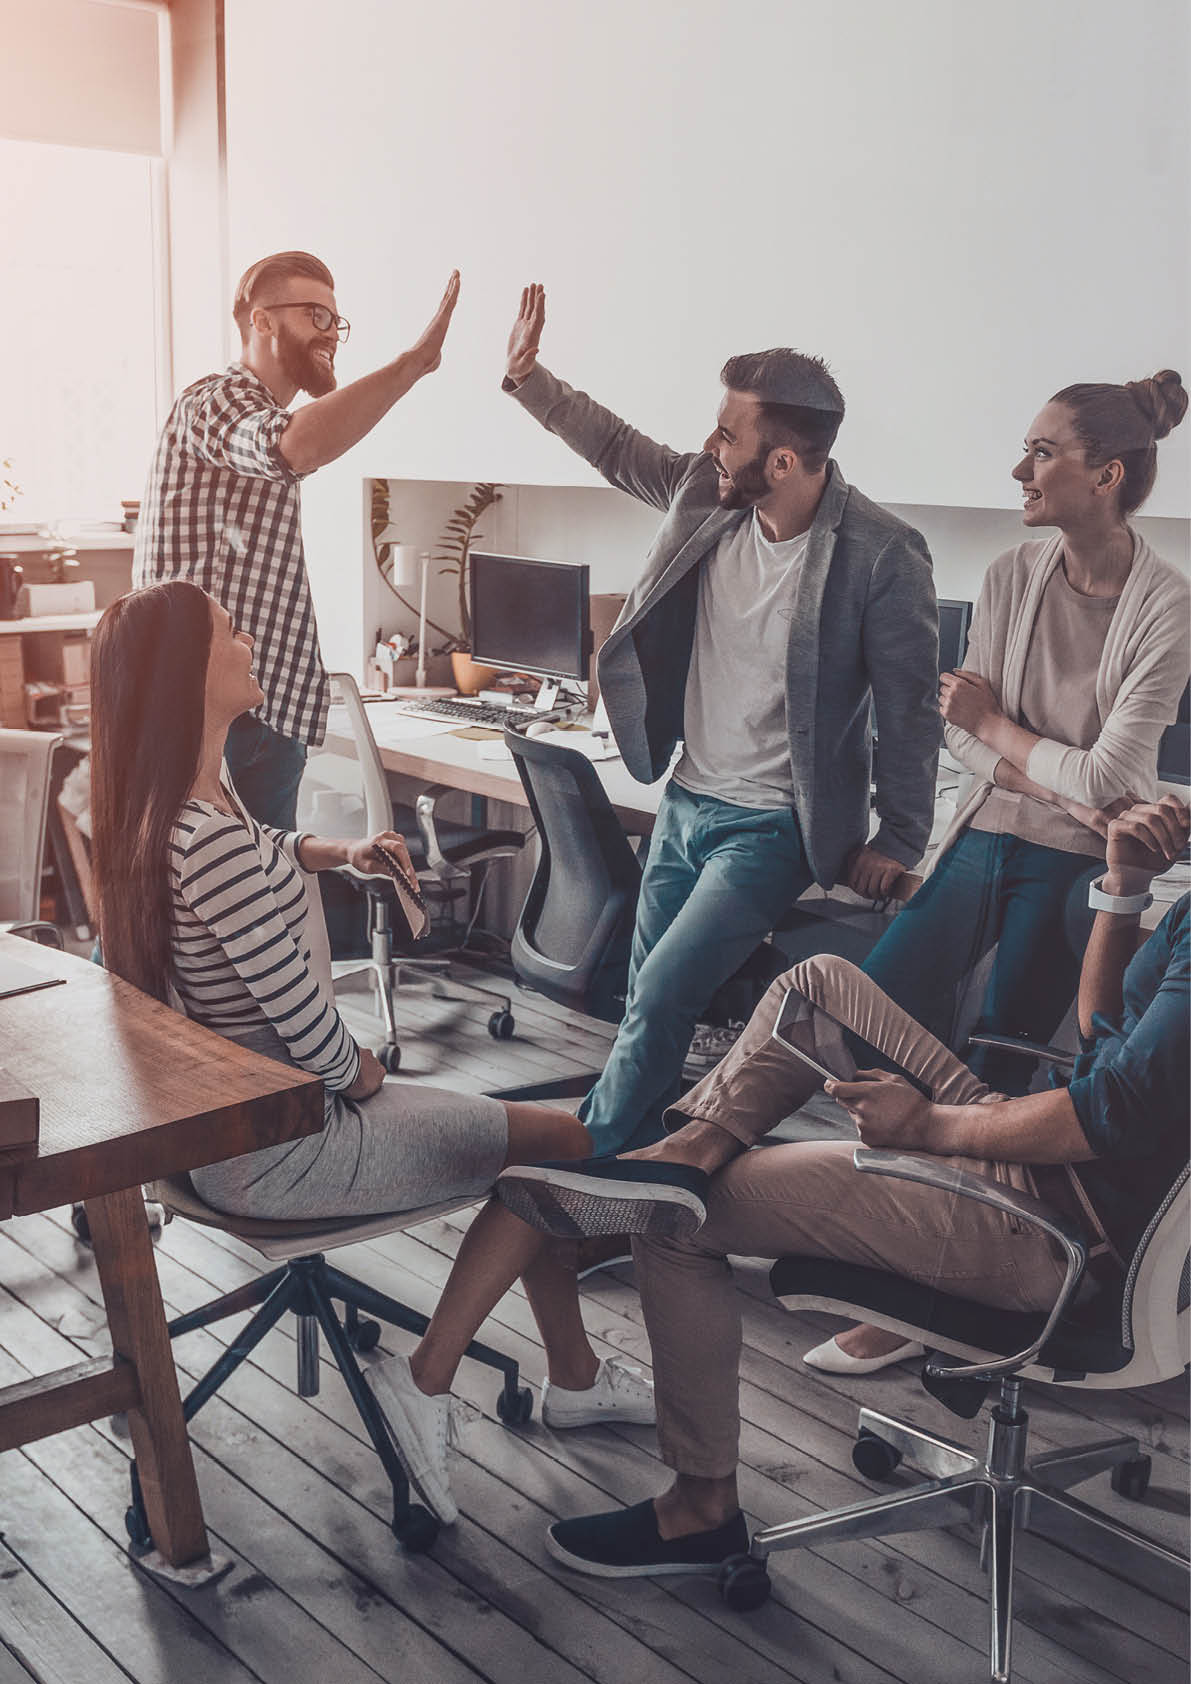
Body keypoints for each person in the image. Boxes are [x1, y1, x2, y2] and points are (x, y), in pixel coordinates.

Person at [491, 796, 1190, 1579]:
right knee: (818, 983)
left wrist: (926, 1128)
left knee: (671, 1225)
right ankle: (685, 1151)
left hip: (1052, 1228)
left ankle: (698, 1512)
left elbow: (1108, 1115)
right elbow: (1105, 1045)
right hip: (1056, 1172)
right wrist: (1124, 886)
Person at [88, 579, 656, 1527]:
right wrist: (371, 1076)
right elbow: (317, 1046)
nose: (249, 638)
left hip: (222, 1143)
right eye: (231, 633)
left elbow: (256, 850)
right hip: (289, 1145)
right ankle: (431, 1381)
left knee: (521, 1136)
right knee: (554, 1143)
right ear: (190, 675)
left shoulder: (173, 816)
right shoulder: (208, 842)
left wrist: (331, 853)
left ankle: (578, 1378)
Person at [502, 284, 941, 1156]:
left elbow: (909, 707)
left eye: (729, 433)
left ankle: (582, 1171)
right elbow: (619, 449)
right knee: (644, 997)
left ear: (782, 461)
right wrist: (529, 378)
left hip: (774, 822)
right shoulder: (706, 495)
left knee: (664, 990)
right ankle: (642, 1170)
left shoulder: (880, 555)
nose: (711, 444)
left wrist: (899, 834)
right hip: (687, 796)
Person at [829, 371, 1191, 1373]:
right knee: (876, 1009)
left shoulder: (1168, 604)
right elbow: (969, 750)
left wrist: (998, 725)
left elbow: (1108, 773)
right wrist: (1042, 767)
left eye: (1042, 452)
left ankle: (929, 1292)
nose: (1019, 469)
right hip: (990, 831)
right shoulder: (1008, 575)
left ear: (1106, 475)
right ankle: (884, 1235)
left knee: (1004, 1064)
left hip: (1074, 864)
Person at [133, 252, 461, 829]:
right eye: (316, 315)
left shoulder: (255, 410)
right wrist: (411, 365)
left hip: (261, 713)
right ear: (262, 321)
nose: (332, 334)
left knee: (261, 898)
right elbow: (291, 447)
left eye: (337, 321)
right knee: (218, 908)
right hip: (210, 719)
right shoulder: (215, 402)